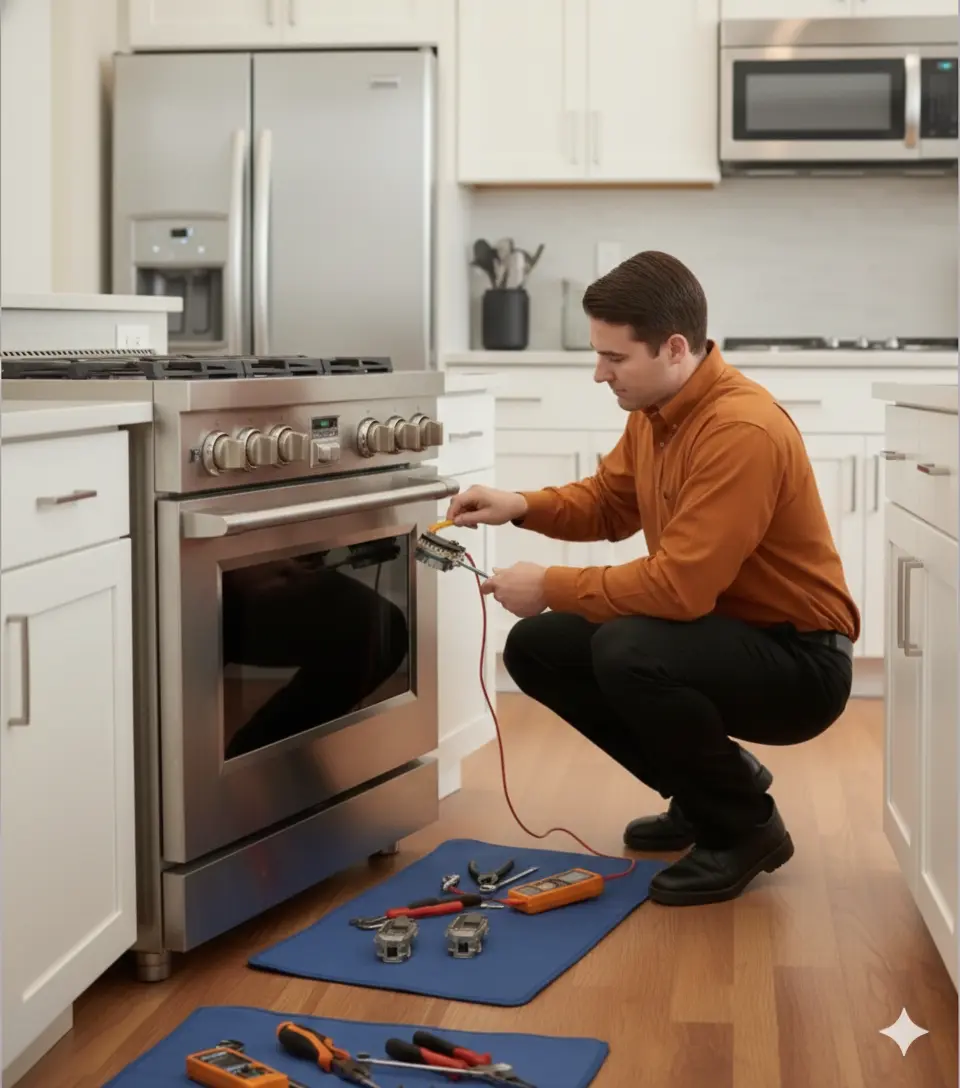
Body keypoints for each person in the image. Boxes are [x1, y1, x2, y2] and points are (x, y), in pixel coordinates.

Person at [445, 251, 858, 907]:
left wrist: (549, 585)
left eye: (614, 358)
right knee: (537, 649)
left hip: (800, 663)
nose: (598, 373)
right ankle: (707, 793)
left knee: (628, 648)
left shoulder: (740, 429)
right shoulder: (658, 411)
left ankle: (745, 827)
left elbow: (678, 590)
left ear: (672, 348)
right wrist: (521, 505)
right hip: (722, 634)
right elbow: (610, 504)